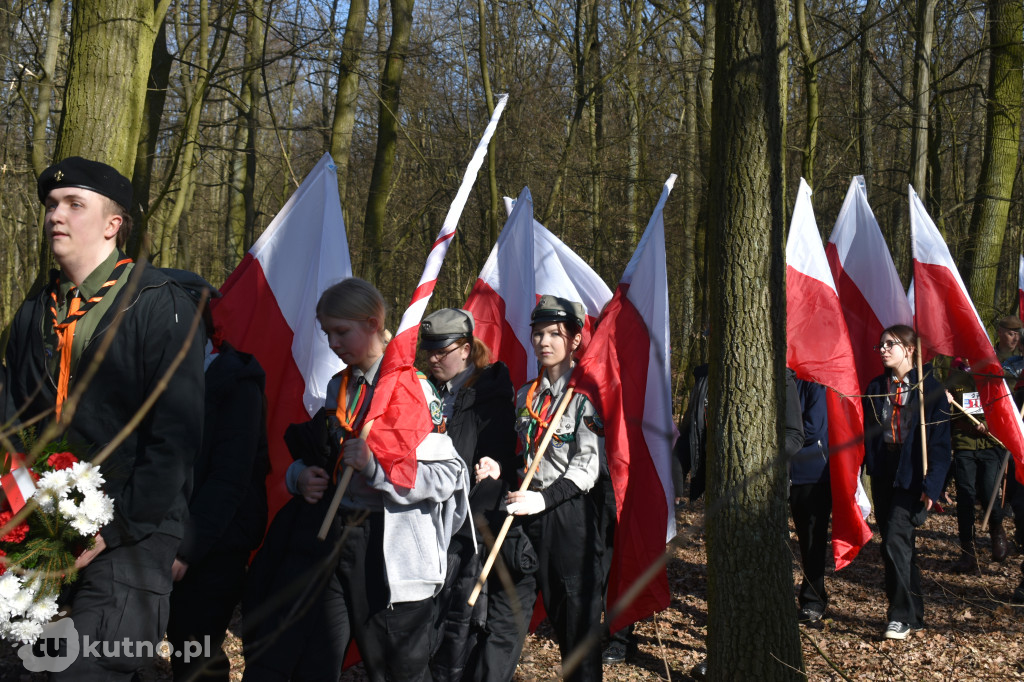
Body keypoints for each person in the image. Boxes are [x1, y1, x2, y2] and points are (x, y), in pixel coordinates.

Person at [3, 157, 205, 679]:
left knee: (91, 669)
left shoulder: (162, 303)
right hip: (42, 527)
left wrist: (112, 533)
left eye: (74, 204)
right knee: (24, 666)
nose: (55, 215)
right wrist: (20, 509)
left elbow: (175, 439)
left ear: (114, 225)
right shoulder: (34, 310)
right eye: (51, 205)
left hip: (132, 533)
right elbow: (14, 421)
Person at [242, 277, 470, 682]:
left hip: (389, 551)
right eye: (327, 333)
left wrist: (376, 470)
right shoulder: (339, 387)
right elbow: (325, 455)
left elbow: (448, 477)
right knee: (318, 660)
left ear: (371, 323)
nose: (333, 343)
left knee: (394, 669)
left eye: (342, 331)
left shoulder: (412, 391)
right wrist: (300, 476)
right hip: (334, 538)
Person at [162, 270, 269, 682]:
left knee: (196, 650)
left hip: (215, 542)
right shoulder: (154, 377)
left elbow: (230, 476)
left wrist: (187, 549)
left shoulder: (235, 383)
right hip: (163, 534)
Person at [496, 295, 607, 682]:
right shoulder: (525, 395)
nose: (544, 342)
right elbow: (520, 454)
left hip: (568, 517)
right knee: (505, 617)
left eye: (554, 334)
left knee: (576, 628)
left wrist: (545, 499)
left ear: (575, 340)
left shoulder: (585, 395)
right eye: (538, 334)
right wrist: (500, 466)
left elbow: (588, 466)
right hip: (525, 514)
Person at [417, 308, 518, 681]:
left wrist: (495, 468)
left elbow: (503, 457)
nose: (432, 358)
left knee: (454, 631)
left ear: (463, 348)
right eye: (428, 350)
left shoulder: (489, 396)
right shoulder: (423, 389)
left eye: (440, 351)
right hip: (420, 527)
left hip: (463, 534)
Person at [863, 324, 951, 640]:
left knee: (894, 542)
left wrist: (932, 487)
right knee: (900, 545)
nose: (883, 349)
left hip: (912, 470)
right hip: (884, 469)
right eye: (881, 345)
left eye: (890, 344)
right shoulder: (876, 386)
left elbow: (940, 446)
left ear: (910, 349)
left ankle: (898, 616)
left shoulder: (931, 389)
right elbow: (868, 434)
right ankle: (915, 614)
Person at [946, 357, 1007, 573]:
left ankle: (997, 532)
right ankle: (967, 551)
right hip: (965, 443)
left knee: (990, 491)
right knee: (965, 493)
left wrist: (988, 425)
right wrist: (945, 400)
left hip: (990, 443)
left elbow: (1003, 408)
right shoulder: (955, 377)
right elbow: (948, 414)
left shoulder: (992, 376)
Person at [790, 379, 832, 624]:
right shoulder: (777, 379)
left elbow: (813, 428)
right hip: (783, 474)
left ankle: (813, 600)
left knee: (812, 541)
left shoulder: (815, 385)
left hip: (812, 475)